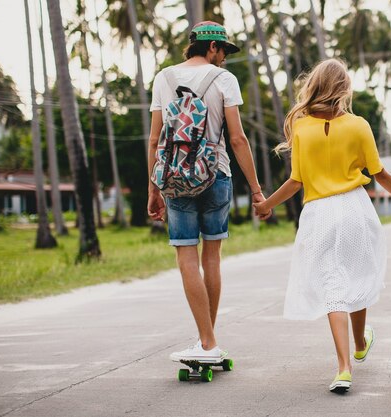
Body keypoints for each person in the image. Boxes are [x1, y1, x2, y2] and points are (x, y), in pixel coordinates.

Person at [253, 59, 391, 393]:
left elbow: (296, 181)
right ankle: (360, 343)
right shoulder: (358, 125)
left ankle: (343, 368)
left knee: (333, 286)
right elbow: (379, 173)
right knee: (356, 275)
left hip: (318, 213)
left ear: (315, 86)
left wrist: (266, 204)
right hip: (354, 209)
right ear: (343, 88)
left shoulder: (301, 126)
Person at [147, 22, 265, 361]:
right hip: (216, 174)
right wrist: (256, 191)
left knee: (186, 257)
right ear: (211, 48)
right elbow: (238, 138)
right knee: (211, 257)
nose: (225, 57)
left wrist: (154, 189)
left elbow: (155, 141)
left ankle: (206, 342)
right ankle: (208, 342)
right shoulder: (223, 80)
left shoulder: (163, 78)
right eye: (223, 50)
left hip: (174, 177)